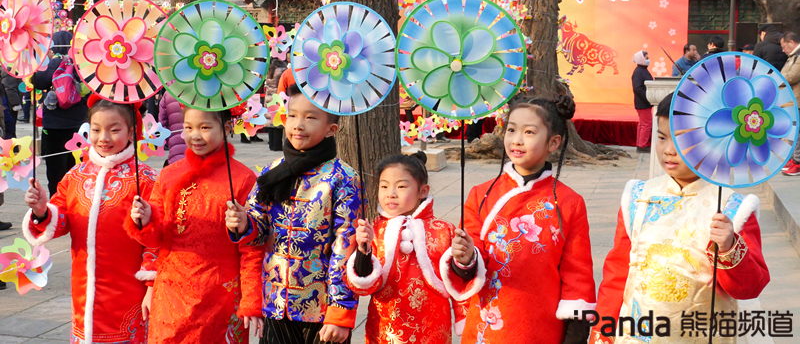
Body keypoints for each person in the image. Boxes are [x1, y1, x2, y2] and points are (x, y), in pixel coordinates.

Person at [589, 93, 770, 344]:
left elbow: (750, 287)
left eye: (682, 141)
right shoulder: (638, 197)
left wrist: (729, 247)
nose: (668, 150)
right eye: (661, 137)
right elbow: (618, 273)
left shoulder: (733, 210)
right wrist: (602, 330)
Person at [441, 95, 596, 344]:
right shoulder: (480, 195)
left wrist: (575, 334)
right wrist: (466, 256)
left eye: (529, 132)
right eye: (511, 129)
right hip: (486, 326)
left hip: (541, 327)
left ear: (553, 142)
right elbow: (468, 263)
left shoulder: (570, 203)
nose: (517, 140)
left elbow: (578, 277)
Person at [226, 83, 361, 344]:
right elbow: (259, 230)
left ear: (331, 129)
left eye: (310, 117)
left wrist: (340, 312)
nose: (298, 124)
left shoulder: (343, 179)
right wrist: (244, 224)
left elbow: (346, 246)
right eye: (293, 115)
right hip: (275, 300)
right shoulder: (271, 172)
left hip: (321, 307)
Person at [22, 95, 158, 344]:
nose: (104, 138)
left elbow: (158, 241)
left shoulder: (147, 179)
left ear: (131, 131)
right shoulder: (76, 175)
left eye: (114, 130)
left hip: (131, 292)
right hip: (84, 291)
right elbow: (60, 219)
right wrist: (42, 210)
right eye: (96, 130)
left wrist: (152, 286)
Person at [127, 106, 264, 342]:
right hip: (170, 294)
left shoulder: (242, 179)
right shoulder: (169, 175)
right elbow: (153, 241)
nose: (195, 135)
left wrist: (251, 301)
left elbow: (252, 249)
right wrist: (145, 220)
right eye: (188, 128)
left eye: (205, 127)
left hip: (220, 296)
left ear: (228, 128)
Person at [345, 152, 468, 343]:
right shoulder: (374, 230)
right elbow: (364, 287)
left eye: (401, 186)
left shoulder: (444, 231)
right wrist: (363, 251)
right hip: (385, 327)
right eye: (384, 186)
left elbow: (459, 282)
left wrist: (464, 318)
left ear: (423, 191)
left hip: (433, 326)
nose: (391, 193)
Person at [32, 31, 89, 195]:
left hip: (55, 126)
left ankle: (57, 205)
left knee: (56, 170)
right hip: (79, 124)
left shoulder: (54, 63)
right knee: (77, 167)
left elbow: (38, 82)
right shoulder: (82, 64)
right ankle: (76, 202)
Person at [780, 32, 800, 176]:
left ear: (791, 42)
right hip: (792, 100)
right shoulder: (793, 57)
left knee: (797, 131)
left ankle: (797, 162)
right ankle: (793, 159)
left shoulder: (798, 57)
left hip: (797, 100)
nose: (782, 50)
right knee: (793, 130)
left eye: (784, 46)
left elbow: (793, 76)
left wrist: (776, 77)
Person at [157, 89, 186, 166]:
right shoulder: (203, 88)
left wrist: (170, 141)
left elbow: (162, 124)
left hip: (175, 145)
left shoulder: (168, 93)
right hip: (201, 146)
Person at [632, 50, 653, 152]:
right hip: (643, 102)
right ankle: (642, 146)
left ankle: (640, 144)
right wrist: (647, 97)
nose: (648, 59)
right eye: (646, 58)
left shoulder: (642, 70)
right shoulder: (639, 72)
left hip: (643, 102)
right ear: (641, 59)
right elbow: (637, 88)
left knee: (642, 124)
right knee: (647, 124)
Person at [1, 67, 21, 138]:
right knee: (10, 130)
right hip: (9, 107)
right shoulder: (8, 75)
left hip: (9, 106)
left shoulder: (6, 76)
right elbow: (10, 91)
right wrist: (16, 104)